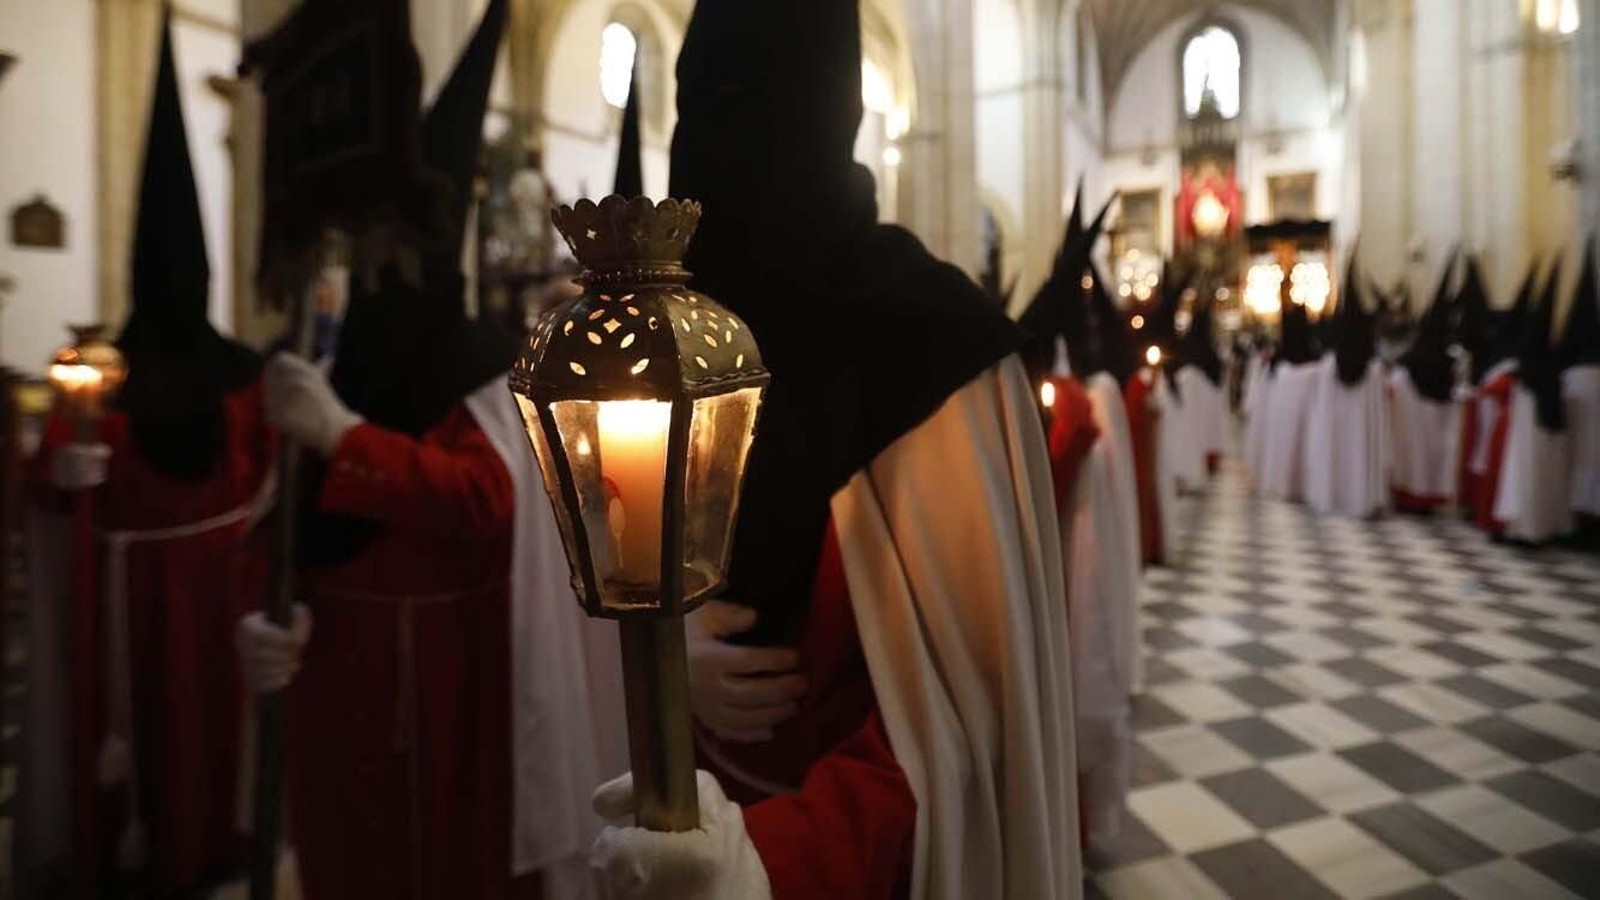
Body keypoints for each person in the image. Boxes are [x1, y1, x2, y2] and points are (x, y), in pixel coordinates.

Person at [586, 1, 1081, 898]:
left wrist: (764, 862)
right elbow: (621, 555)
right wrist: (667, 652)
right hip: (689, 803)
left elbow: (969, 727)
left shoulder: (934, 350)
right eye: (699, 108)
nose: (714, 152)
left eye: (748, 106)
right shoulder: (680, 331)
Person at [236, 3, 626, 896]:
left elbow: (487, 502)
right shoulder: (336, 371)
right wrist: (265, 616)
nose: (385, 275)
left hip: (467, 676)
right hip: (339, 678)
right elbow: (278, 521)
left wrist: (345, 437)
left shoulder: (489, 374)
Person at [22, 15, 272, 896]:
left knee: (208, 728)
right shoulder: (102, 379)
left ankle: (208, 848)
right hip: (126, 598)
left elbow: (276, 485)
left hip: (216, 595)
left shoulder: (243, 375)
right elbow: (48, 487)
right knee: (142, 731)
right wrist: (56, 475)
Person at [1492, 257, 1573, 543]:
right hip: (1544, 430)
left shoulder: (1525, 374)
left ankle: (1525, 527)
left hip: (1528, 429)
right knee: (1541, 473)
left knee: (1525, 475)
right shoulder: (1553, 370)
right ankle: (1537, 526)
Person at [1303, 256, 1387, 518]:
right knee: (1360, 447)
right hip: (1359, 418)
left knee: (1336, 447)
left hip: (1335, 422)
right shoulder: (1373, 368)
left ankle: (1334, 491)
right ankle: (1361, 494)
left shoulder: (1329, 364)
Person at [1389, 252, 1462, 513]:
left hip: (1414, 412)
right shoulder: (1448, 358)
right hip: (1434, 411)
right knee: (1432, 453)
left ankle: (1412, 494)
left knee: (1414, 454)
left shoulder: (1408, 363)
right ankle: (1427, 496)